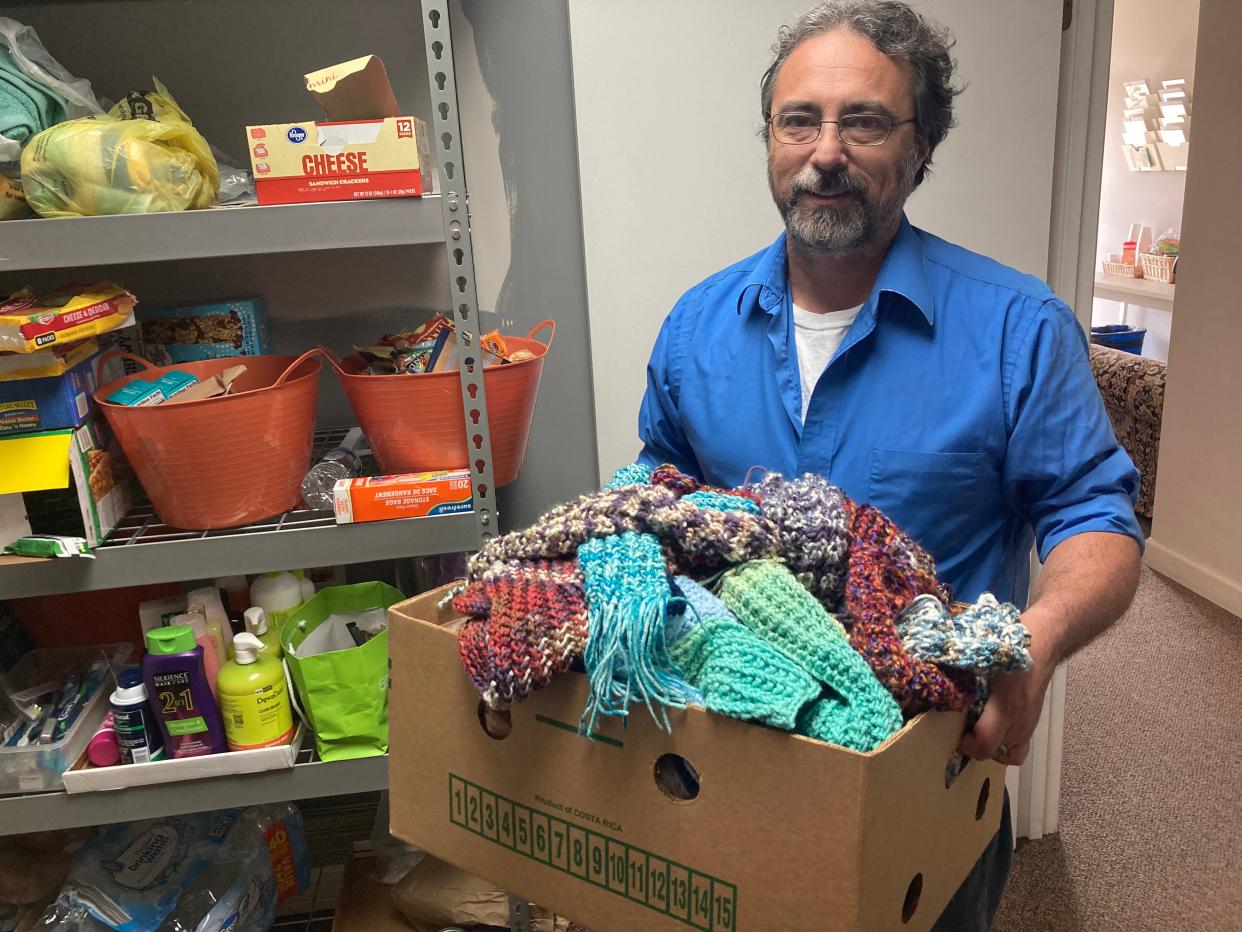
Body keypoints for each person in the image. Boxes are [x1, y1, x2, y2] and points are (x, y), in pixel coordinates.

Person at [636, 1, 1144, 928]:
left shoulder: (1017, 330)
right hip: (726, 766)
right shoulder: (694, 327)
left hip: (927, 778)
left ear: (921, 149)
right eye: (800, 120)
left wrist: (1033, 648)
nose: (825, 152)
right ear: (771, 141)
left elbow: (1097, 522)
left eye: (863, 121)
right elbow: (652, 504)